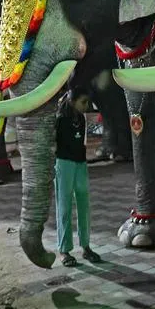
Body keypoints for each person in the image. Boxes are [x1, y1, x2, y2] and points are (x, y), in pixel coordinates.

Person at [54, 91, 102, 267]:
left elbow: (81, 142)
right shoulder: (59, 119)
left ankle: (86, 247)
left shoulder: (81, 119)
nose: (86, 105)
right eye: (83, 101)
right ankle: (64, 250)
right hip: (63, 164)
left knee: (84, 205)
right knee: (64, 206)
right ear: (72, 101)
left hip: (80, 164)